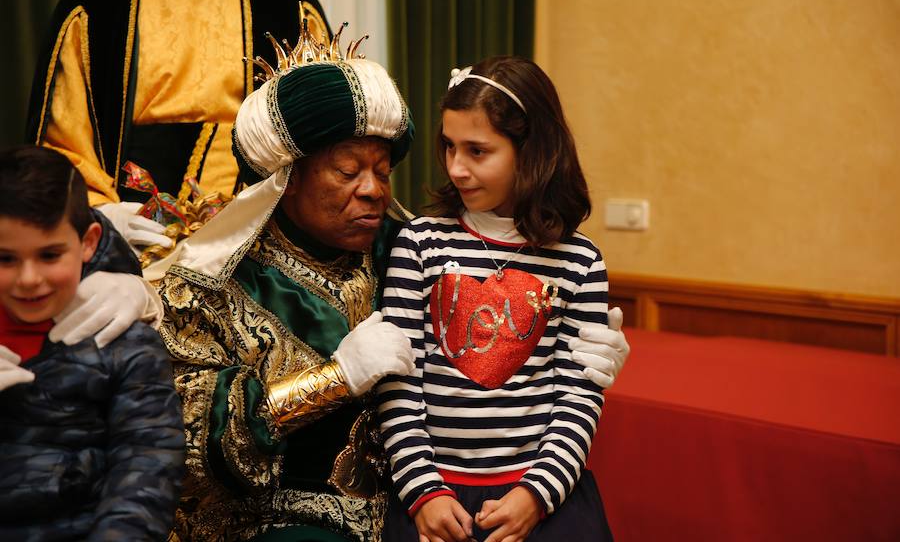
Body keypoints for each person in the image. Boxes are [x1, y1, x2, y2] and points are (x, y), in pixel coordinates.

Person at [155, 29, 417, 541]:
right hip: (275, 518)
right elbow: (187, 444)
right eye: (347, 171)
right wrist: (332, 380)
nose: (372, 190)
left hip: (417, 501)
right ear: (287, 178)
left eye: (382, 172)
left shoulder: (407, 254)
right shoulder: (208, 285)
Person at [378, 56, 619, 542]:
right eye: (448, 147)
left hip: (539, 495)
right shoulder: (420, 242)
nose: (456, 168)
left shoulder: (580, 260)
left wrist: (537, 495)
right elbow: (397, 383)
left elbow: (578, 396)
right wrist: (423, 492)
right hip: (432, 494)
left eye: (478, 151)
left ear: (532, 152)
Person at [25, 0, 330, 251]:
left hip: (268, 254)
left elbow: (326, 143)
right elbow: (62, 151)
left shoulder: (291, 8)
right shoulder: (92, 10)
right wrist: (106, 216)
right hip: (132, 253)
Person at [0, 146, 185, 539]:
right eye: (5, 259)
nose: (29, 278)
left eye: (50, 255)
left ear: (88, 243)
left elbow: (147, 469)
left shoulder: (127, 345)